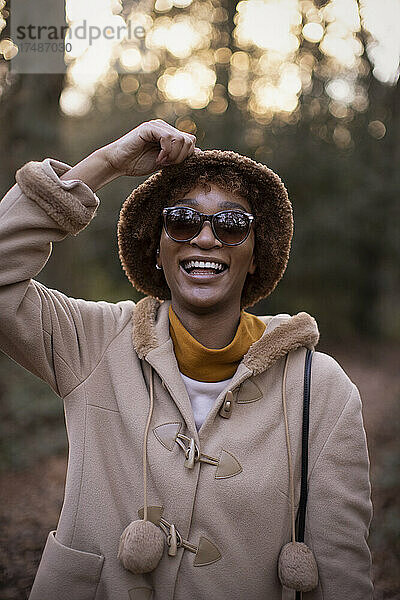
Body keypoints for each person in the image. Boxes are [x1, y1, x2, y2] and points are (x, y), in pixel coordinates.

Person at [0, 119, 373, 600]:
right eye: (181, 220)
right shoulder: (92, 342)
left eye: (232, 224)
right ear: (157, 247)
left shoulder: (319, 390)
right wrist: (109, 162)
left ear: (258, 254)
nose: (205, 238)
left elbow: (344, 573)